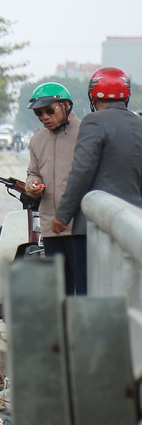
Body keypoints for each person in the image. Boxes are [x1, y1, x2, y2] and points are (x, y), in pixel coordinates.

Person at [53, 67, 142, 291]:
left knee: (89, 295)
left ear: (93, 96)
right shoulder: (139, 125)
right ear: (126, 96)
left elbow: (82, 170)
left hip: (93, 228)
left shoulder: (94, 121)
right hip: (133, 226)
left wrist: (63, 215)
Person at [24, 82, 83, 294]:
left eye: (50, 110)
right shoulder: (37, 141)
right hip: (51, 227)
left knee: (83, 290)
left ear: (66, 105)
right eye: (39, 113)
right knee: (59, 291)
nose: (44, 117)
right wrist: (33, 185)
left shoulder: (86, 133)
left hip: (79, 227)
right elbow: (33, 172)